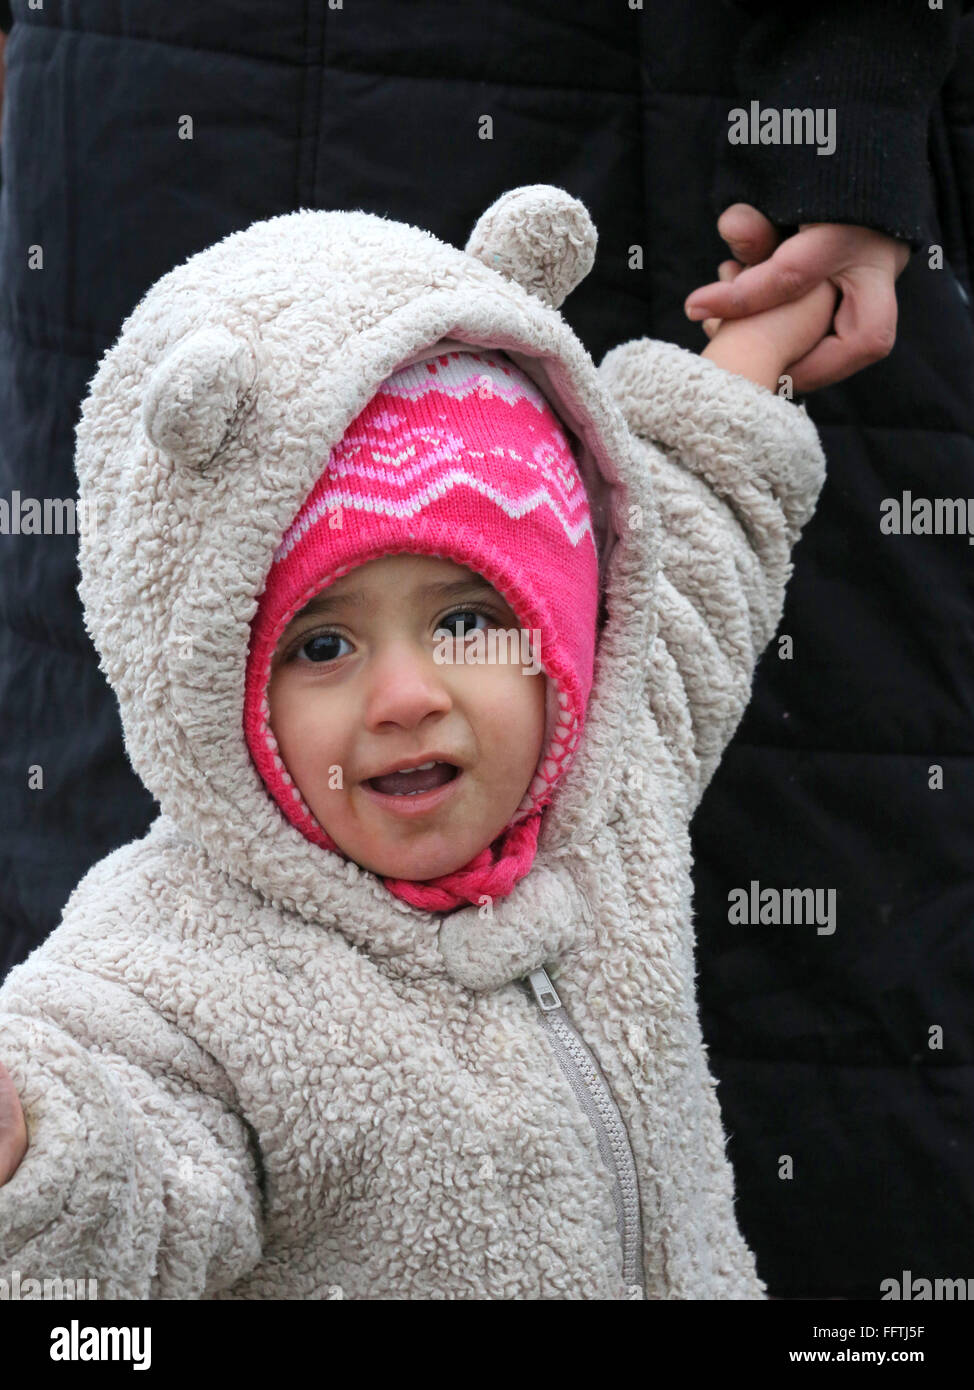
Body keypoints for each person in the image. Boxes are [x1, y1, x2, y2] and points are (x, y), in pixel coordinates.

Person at [0, 185, 836, 1298]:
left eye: (464, 620)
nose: (403, 695)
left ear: (560, 628)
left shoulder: (606, 781)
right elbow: (120, 1184)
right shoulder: (185, 968)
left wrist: (768, 331)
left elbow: (689, 532)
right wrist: (30, 1144)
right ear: (209, 680)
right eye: (320, 645)